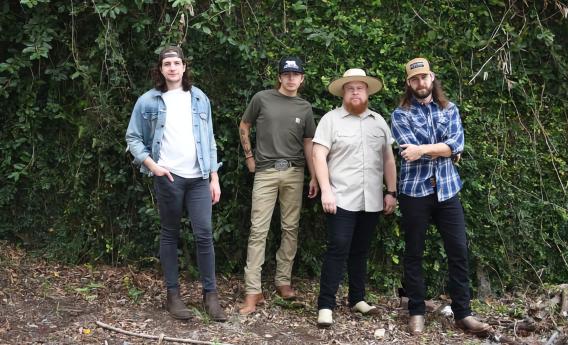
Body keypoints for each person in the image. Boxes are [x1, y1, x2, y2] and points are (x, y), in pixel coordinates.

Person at [125, 46, 227, 321]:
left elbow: (210, 138)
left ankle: (211, 296)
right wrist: (153, 166)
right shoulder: (148, 101)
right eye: (167, 63)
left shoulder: (198, 98)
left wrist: (213, 176)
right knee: (170, 234)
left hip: (198, 179)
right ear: (161, 69)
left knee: (204, 234)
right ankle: (173, 296)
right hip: (169, 179)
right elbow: (133, 138)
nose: (172, 67)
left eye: (176, 63)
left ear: (184, 67)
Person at [391, 57, 491, 335]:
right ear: (409, 83)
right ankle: (417, 311)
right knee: (414, 252)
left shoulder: (450, 109)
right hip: (415, 192)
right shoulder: (400, 114)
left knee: (458, 251)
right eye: (414, 79)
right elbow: (408, 150)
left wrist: (424, 150)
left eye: (424, 77)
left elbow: (456, 144)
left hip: (447, 191)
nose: (420, 83)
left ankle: (464, 314)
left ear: (432, 78)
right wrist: (444, 149)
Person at [313, 68, 397, 327]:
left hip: (371, 199)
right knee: (338, 248)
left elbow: (388, 159)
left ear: (367, 92)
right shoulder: (331, 120)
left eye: (360, 88)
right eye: (351, 88)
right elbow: (318, 155)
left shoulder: (378, 121)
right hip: (341, 197)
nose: (356, 92)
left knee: (360, 251)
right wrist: (326, 190)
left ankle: (357, 298)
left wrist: (391, 192)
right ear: (343, 93)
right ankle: (325, 305)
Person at [238, 56, 318, 315]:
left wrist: (314, 175)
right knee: (258, 230)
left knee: (290, 228)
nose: (291, 78)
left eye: (296, 74)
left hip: (294, 173)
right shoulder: (262, 98)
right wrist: (249, 157)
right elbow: (244, 125)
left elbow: (309, 143)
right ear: (280, 77)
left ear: (302, 78)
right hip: (265, 172)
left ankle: (283, 281)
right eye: (286, 74)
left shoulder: (305, 108)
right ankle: (253, 291)